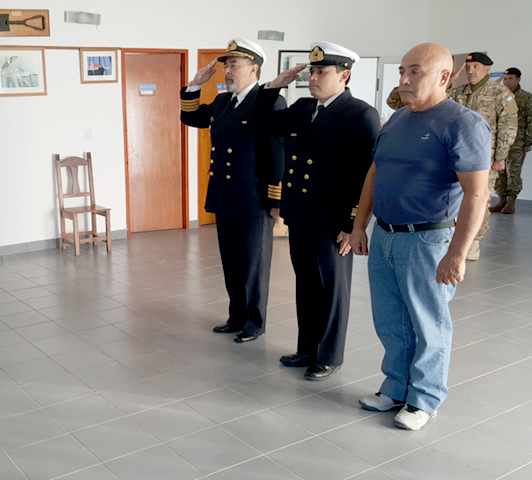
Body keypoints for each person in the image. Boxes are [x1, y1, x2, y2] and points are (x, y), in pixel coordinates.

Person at [349, 43, 491, 430]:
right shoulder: (396, 119)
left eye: (415, 72)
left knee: (429, 324)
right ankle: (396, 387)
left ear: (444, 76)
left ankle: (424, 398)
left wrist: (457, 254)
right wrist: (360, 224)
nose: (405, 80)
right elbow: (374, 174)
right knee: (391, 320)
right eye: (402, 72)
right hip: (386, 236)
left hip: (428, 240)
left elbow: (477, 193)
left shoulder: (462, 124)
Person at [259, 42, 380, 380]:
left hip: (333, 222)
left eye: (321, 72)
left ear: (345, 75)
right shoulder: (300, 108)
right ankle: (307, 349)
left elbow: (365, 175)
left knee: (332, 291)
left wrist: (352, 224)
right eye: (312, 71)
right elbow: (263, 122)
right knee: (307, 287)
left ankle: (328, 356)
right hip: (300, 216)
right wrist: (273, 88)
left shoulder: (360, 115)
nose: (313, 78)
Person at [180, 38, 286, 343]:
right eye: (226, 65)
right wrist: (195, 84)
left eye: (234, 65)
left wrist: (275, 200)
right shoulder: (224, 102)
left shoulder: (269, 101)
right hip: (225, 195)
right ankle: (236, 315)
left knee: (254, 263)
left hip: (253, 198)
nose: (227, 70)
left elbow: (275, 153)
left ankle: (255, 320)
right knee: (231, 263)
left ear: (254, 69)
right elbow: (190, 116)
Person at [447, 53, 518, 260]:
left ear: (487, 69)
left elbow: (509, 126)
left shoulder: (503, 95)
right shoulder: (459, 92)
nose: (470, 71)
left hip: (485, 159)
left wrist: (501, 156)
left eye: (476, 66)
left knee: (480, 198)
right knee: (455, 197)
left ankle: (472, 242)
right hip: (456, 155)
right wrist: (451, 78)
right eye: (468, 67)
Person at [493, 68, 532, 214]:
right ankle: (501, 200)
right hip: (500, 141)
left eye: (510, 78)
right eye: (505, 78)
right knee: (499, 172)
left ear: (518, 80)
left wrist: (528, 142)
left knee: (513, 172)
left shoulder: (526, 97)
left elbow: (530, 120)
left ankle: (511, 202)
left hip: (518, 141)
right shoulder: (500, 96)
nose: (507, 81)